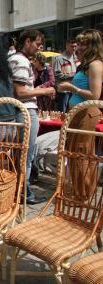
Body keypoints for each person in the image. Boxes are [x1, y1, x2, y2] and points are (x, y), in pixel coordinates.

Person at [8, 29, 56, 204]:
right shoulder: (20, 60)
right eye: (37, 43)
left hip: (21, 111)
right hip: (25, 111)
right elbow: (20, 91)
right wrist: (46, 90)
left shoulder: (15, 59)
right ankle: (24, 194)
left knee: (22, 153)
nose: (39, 48)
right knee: (26, 155)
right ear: (27, 42)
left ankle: (19, 191)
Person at [58, 29, 103, 200]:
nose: (79, 46)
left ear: (93, 45)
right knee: (75, 154)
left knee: (82, 154)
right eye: (79, 43)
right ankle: (79, 191)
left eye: (84, 43)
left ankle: (83, 195)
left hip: (86, 114)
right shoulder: (85, 64)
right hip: (77, 113)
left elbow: (95, 95)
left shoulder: (95, 65)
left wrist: (72, 88)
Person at [53, 38, 78, 112]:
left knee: (72, 112)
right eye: (72, 46)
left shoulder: (76, 58)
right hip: (63, 91)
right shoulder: (59, 59)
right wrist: (72, 76)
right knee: (62, 112)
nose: (74, 48)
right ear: (67, 46)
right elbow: (57, 75)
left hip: (74, 89)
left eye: (75, 46)